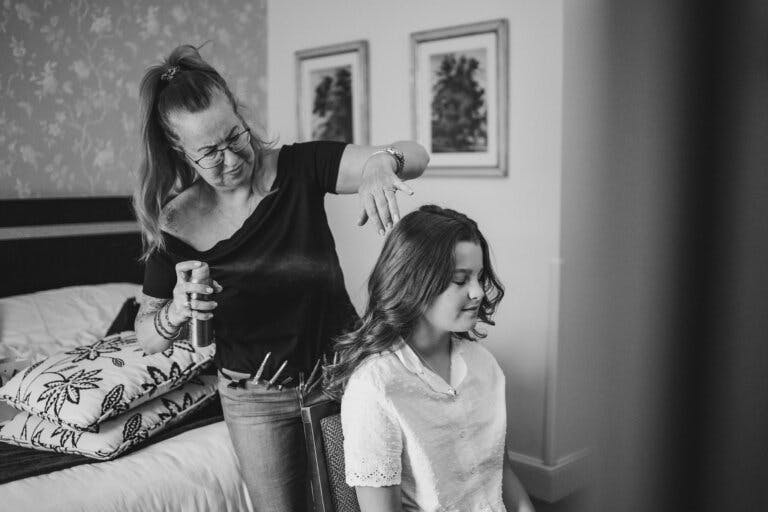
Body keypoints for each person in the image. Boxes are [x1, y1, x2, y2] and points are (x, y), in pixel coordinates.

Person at [131, 44, 429, 511]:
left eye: (235, 137)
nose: (231, 159)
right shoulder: (176, 222)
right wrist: (175, 311)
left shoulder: (298, 167)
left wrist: (379, 163)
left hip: (340, 378)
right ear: (180, 151)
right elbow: (146, 337)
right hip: (255, 403)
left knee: (358, 505)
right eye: (209, 153)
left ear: (241, 115)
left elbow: (417, 153)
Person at [326, 205, 535, 512]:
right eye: (460, 280)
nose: (478, 292)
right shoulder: (375, 387)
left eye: (479, 277)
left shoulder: (484, 364)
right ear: (416, 283)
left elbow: (501, 471)